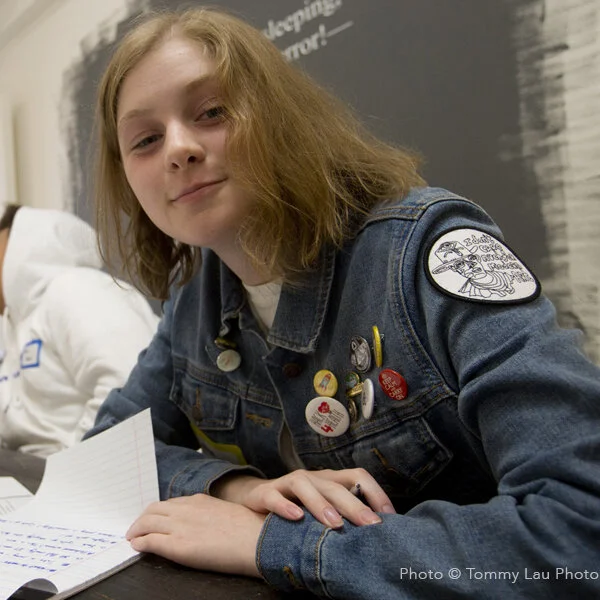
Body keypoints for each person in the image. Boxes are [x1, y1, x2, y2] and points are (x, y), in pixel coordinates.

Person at [85, 7, 600, 599]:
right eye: (146, 140)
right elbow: (104, 454)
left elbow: (578, 530)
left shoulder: (434, 250)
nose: (178, 149)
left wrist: (274, 542)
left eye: (212, 112)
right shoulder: (193, 301)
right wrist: (235, 489)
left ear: (279, 116)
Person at [0, 203, 159, 457]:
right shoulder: (17, 322)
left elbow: (129, 384)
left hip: (89, 467)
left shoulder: (76, 290)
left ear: (17, 242)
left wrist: (76, 463)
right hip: (37, 467)